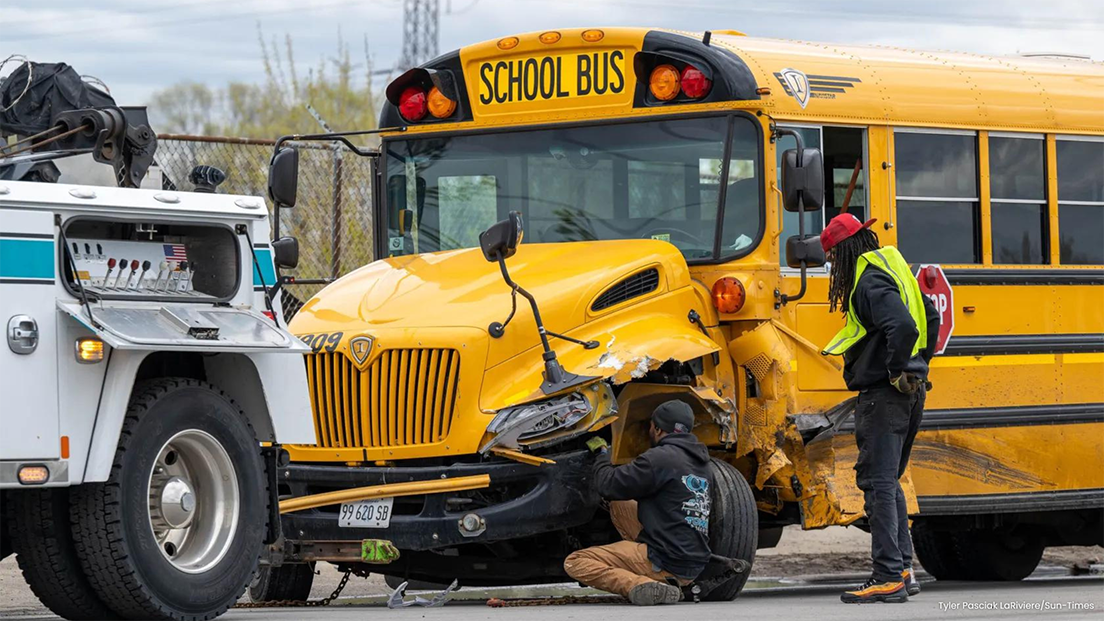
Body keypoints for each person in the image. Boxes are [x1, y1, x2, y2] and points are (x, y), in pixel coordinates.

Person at [819, 213, 940, 604]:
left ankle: (887, 575)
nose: (833, 268)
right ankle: (903, 568)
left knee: (877, 483)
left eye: (831, 259)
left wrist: (895, 369)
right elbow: (930, 317)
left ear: (842, 253)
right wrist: (919, 366)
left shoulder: (868, 279)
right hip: (911, 392)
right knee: (890, 480)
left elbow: (902, 327)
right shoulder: (893, 268)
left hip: (885, 395)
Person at [563, 400, 716, 605]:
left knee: (575, 562)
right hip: (691, 558)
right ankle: (648, 569)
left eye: (651, 426)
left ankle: (641, 583)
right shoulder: (703, 465)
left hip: (665, 560)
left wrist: (601, 454)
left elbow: (608, 484)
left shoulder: (659, 458)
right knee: (620, 503)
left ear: (658, 429)